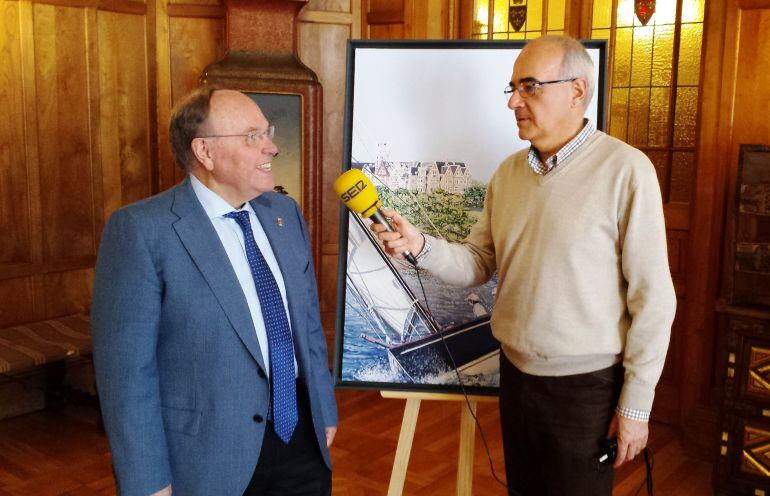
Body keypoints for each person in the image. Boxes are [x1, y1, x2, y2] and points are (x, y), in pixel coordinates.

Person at [372, 35, 676, 495]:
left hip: (585, 389)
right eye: (512, 88)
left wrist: (635, 406)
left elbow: (653, 299)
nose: (514, 101)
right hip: (515, 377)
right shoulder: (508, 174)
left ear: (577, 90)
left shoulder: (627, 171)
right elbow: (478, 263)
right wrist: (421, 245)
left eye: (530, 86)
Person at [92, 87, 338, 496]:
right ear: (205, 151)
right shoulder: (141, 231)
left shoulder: (284, 213)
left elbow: (307, 324)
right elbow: (126, 376)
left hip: (302, 439)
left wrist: (323, 407)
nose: (272, 148)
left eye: (268, 133)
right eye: (253, 136)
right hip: (208, 458)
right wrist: (146, 481)